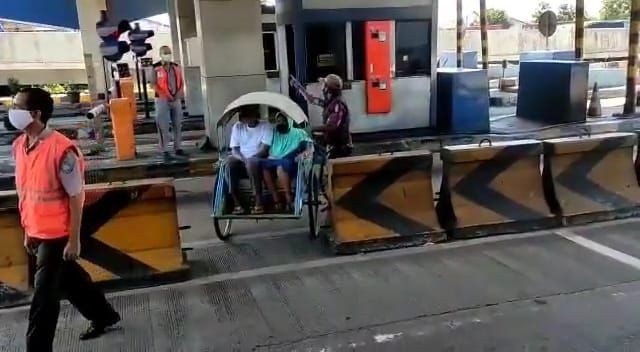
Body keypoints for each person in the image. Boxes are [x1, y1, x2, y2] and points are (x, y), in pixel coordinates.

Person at [10, 88, 121, 352]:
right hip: (36, 229)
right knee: (72, 281)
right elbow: (26, 192)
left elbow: (76, 196)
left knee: (44, 298)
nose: (10, 112)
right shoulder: (19, 146)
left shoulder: (62, 151)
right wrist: (27, 230)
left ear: (35, 114)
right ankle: (104, 316)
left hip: (57, 235)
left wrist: (74, 240)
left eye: (16, 106)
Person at [291, 74, 352, 159]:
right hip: (333, 146)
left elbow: (332, 126)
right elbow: (312, 100)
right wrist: (299, 87)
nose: (322, 87)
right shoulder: (331, 101)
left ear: (328, 89)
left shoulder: (338, 104)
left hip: (339, 148)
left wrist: (310, 128)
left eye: (323, 85)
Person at [227, 105, 273, 215]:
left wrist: (251, 159)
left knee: (252, 162)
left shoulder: (266, 126)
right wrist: (243, 159)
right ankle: (237, 203)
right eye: (244, 116)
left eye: (249, 115)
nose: (246, 119)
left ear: (256, 115)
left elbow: (264, 150)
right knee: (228, 164)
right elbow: (235, 150)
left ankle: (258, 202)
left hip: (260, 159)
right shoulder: (237, 127)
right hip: (242, 159)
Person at [261, 114, 312, 212]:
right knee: (264, 167)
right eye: (278, 121)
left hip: (291, 160)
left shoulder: (298, 133)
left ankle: (288, 199)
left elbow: (309, 148)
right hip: (274, 158)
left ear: (288, 121)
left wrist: (303, 155)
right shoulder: (274, 132)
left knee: (281, 166)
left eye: (282, 121)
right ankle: (276, 199)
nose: (280, 123)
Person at [151, 45, 185, 160]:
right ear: (160, 55)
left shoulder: (176, 67)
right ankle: (164, 149)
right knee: (163, 126)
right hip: (162, 100)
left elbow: (181, 82)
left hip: (176, 99)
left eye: (169, 53)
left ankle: (178, 147)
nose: (167, 55)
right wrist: (166, 95)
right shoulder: (156, 68)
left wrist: (178, 94)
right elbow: (153, 84)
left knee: (177, 124)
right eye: (165, 53)